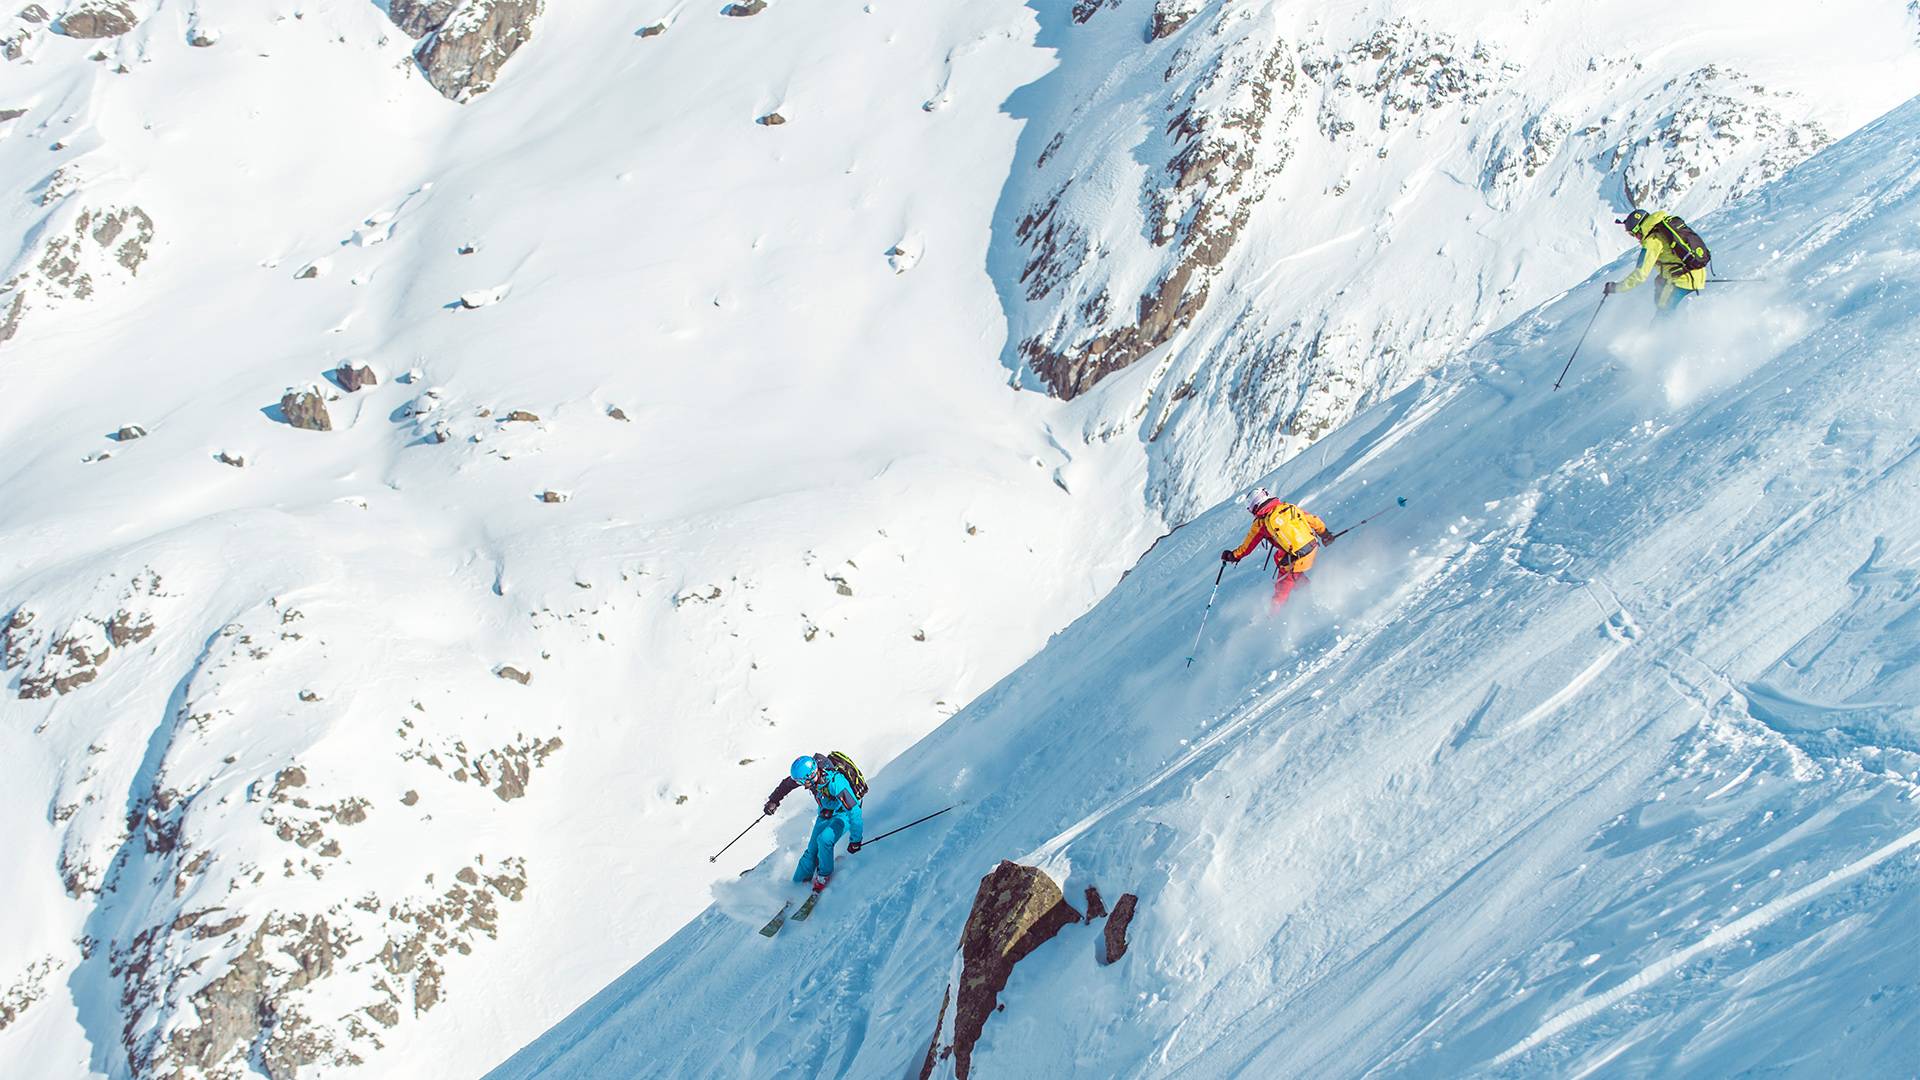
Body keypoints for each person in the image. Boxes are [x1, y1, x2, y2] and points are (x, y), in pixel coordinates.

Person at [764, 754, 864, 892]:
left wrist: (856, 840)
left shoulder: (836, 782)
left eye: (801, 782)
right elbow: (787, 784)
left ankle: (824, 875)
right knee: (811, 851)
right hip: (826, 812)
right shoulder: (809, 775)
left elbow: (854, 811)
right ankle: (796, 886)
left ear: (810, 777)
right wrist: (773, 801)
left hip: (844, 814)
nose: (800, 784)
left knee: (824, 839)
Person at [1222, 487, 1334, 610]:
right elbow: (1314, 520)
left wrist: (1233, 556)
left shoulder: (1261, 523)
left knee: (1283, 582)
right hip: (1312, 546)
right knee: (1279, 557)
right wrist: (1325, 535)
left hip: (1298, 558)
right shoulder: (1288, 507)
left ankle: (1276, 613)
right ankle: (1306, 591)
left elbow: (1246, 548)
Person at [1604, 209, 1707, 313]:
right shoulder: (1662, 228)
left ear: (1639, 229)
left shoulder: (1652, 241)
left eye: (1633, 233)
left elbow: (1640, 274)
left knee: (1663, 311)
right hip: (1696, 273)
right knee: (1660, 284)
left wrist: (1616, 288)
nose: (1635, 237)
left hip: (1682, 281)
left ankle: (1665, 328)